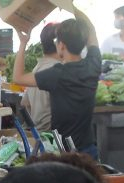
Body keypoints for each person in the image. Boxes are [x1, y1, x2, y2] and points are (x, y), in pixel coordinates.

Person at [11, 5, 101, 160]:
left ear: (61, 45)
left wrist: (23, 43)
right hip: (89, 151)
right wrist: (72, 7)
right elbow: (91, 30)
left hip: (65, 153)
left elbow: (18, 78)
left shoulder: (57, 74)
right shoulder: (93, 65)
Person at [20, 23, 60, 133]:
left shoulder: (36, 69)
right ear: (60, 44)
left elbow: (25, 103)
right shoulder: (57, 71)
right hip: (52, 136)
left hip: (37, 134)